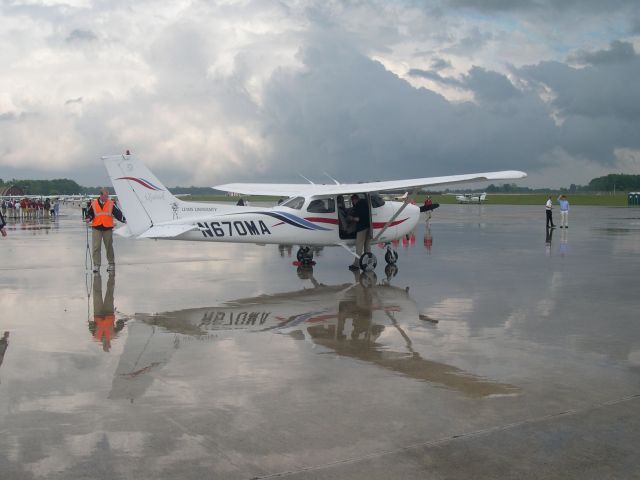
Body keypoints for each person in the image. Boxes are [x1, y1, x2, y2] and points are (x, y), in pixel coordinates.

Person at [86, 188, 126, 273]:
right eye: (105, 196)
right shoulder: (93, 203)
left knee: (109, 247)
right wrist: (88, 218)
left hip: (107, 228)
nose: (106, 197)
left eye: (107, 195)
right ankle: (96, 265)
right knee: (96, 247)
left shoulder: (111, 203)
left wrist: (124, 220)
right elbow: (90, 213)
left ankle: (111, 264)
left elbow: (118, 213)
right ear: (100, 195)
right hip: (97, 227)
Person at [348, 194, 371, 270]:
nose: (352, 202)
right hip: (369, 227)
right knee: (367, 246)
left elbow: (357, 219)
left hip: (361, 228)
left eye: (352, 201)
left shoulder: (358, 206)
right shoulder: (365, 203)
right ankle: (368, 262)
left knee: (359, 246)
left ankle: (356, 264)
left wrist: (351, 218)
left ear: (355, 200)